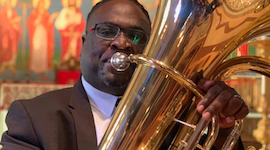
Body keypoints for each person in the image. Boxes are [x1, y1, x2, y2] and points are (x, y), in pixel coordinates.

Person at [0, 0, 249, 150]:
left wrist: (224, 128)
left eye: (137, 36)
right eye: (107, 31)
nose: (122, 43)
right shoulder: (33, 117)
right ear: (84, 43)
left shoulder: (179, 117)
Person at [27, 0, 56, 73]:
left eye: (43, 4)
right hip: (36, 33)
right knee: (36, 50)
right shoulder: (34, 12)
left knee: (43, 50)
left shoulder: (46, 13)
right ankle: (34, 67)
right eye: (40, 4)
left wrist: (51, 18)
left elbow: (49, 24)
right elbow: (30, 22)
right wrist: (37, 21)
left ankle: (43, 68)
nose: (41, 5)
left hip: (44, 34)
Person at [0, 0, 21, 73]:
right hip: (5, 34)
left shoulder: (14, 11)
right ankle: (3, 66)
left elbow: (17, 22)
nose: (9, 3)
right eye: (8, 1)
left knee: (13, 50)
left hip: (12, 34)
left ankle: (11, 66)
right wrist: (13, 21)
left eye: (10, 1)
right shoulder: (2, 11)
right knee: (5, 49)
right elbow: (2, 22)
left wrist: (16, 26)